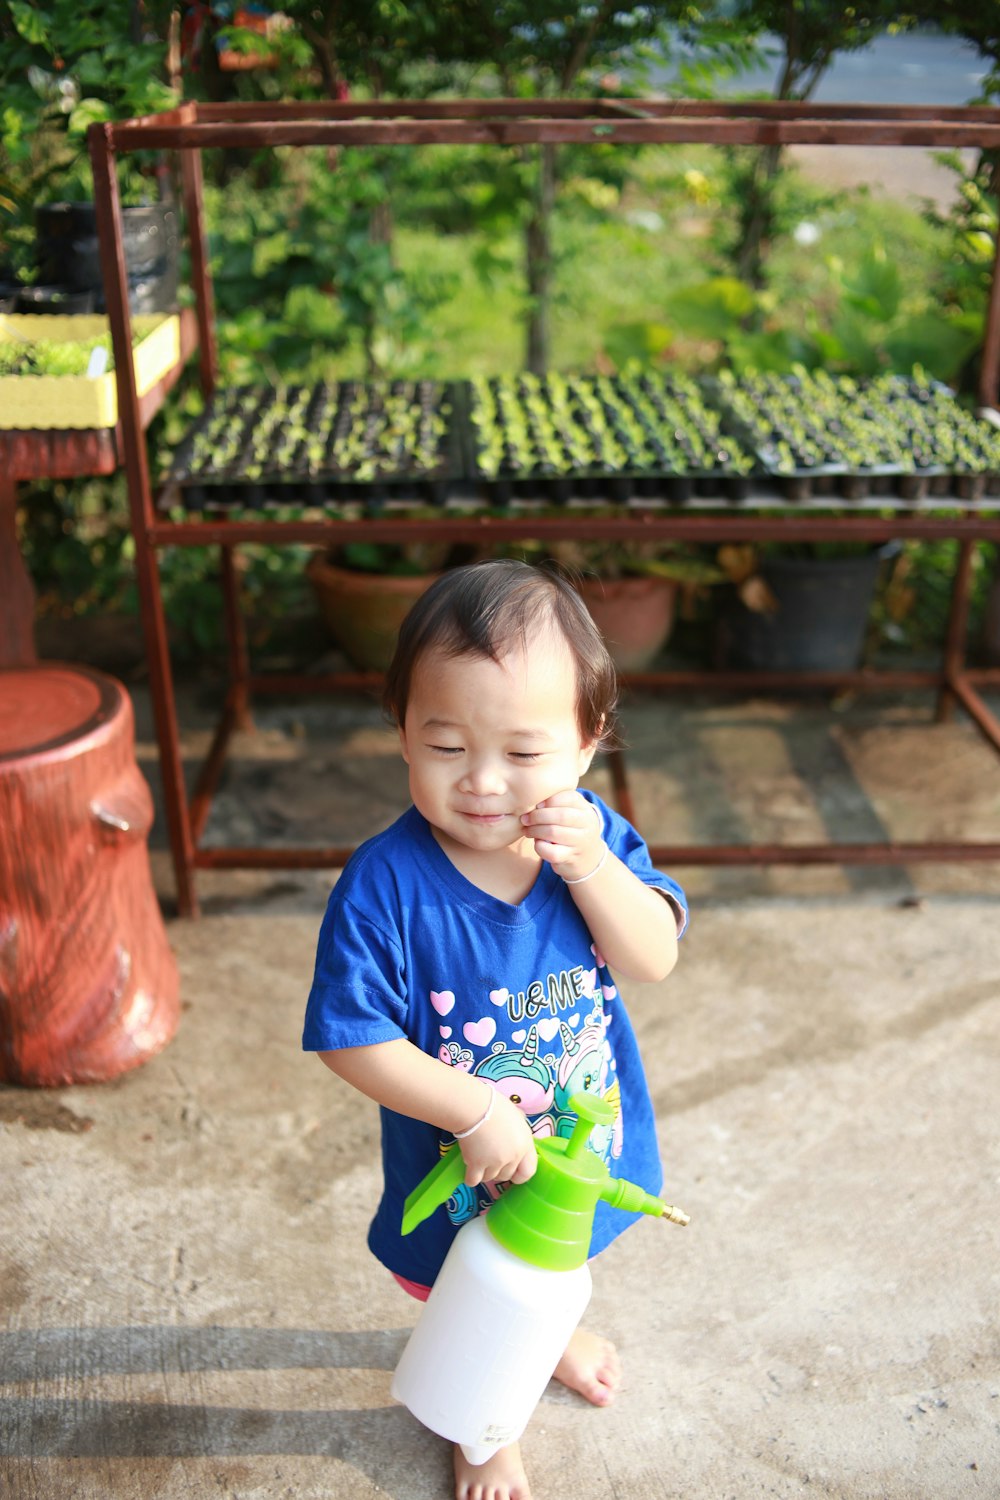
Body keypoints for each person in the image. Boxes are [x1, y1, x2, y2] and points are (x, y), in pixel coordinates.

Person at [303, 558, 687, 1500]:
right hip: (461, 1165)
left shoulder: (592, 840)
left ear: (587, 742)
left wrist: (595, 869)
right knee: (472, 1298)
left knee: (554, 1271)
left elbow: (652, 956)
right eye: (445, 747)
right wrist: (472, 1112)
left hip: (579, 1146)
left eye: (523, 754)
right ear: (401, 729)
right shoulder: (385, 886)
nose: (482, 782)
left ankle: (548, 1340)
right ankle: (482, 1428)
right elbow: (352, 1035)